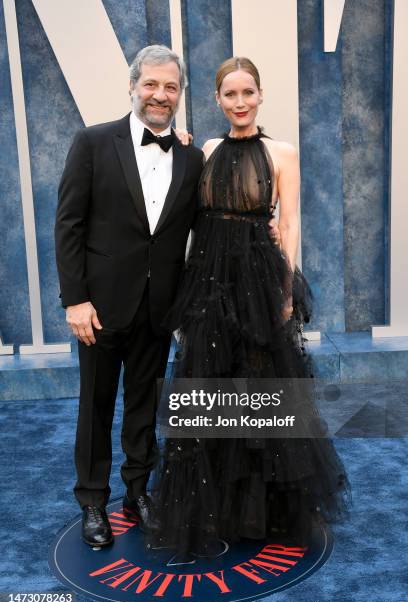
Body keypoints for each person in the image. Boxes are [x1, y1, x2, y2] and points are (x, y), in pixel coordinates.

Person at [148, 57, 352, 557]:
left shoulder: (282, 152)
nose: (239, 103)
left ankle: (262, 510)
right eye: (230, 95)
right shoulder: (208, 149)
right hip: (209, 279)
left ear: (260, 95)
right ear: (217, 100)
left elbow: (289, 224)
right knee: (208, 386)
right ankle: (213, 504)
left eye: (247, 93)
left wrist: (284, 293)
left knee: (261, 388)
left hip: (258, 282)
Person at [54, 45, 205, 547]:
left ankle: (137, 492)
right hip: (98, 309)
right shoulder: (93, 142)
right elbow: (69, 225)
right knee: (95, 407)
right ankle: (92, 501)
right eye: (151, 85)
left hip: (159, 308)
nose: (160, 95)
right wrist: (75, 300)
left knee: (143, 405)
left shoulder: (191, 156)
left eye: (170, 87)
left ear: (179, 94)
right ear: (133, 85)